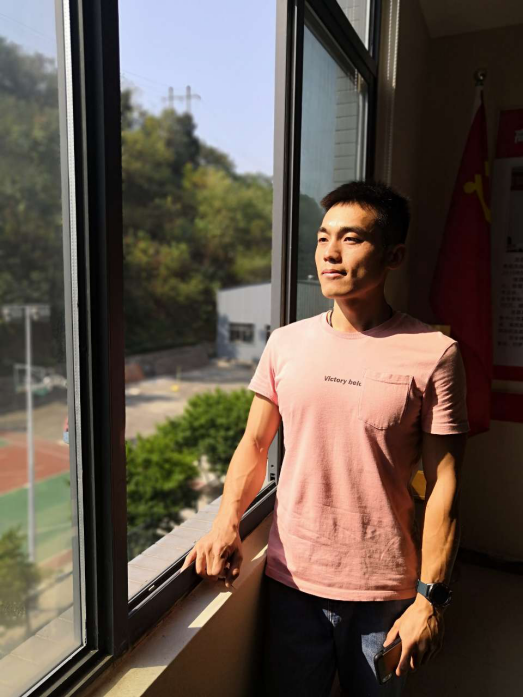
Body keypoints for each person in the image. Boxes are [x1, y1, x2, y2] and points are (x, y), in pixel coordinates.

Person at [181, 180, 469, 697]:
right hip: (291, 581)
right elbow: (254, 444)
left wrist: (430, 601)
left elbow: (445, 484)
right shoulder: (285, 343)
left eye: (351, 238)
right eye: (322, 238)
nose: (330, 253)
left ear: (394, 255)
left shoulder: (434, 353)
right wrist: (226, 523)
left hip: (386, 591)